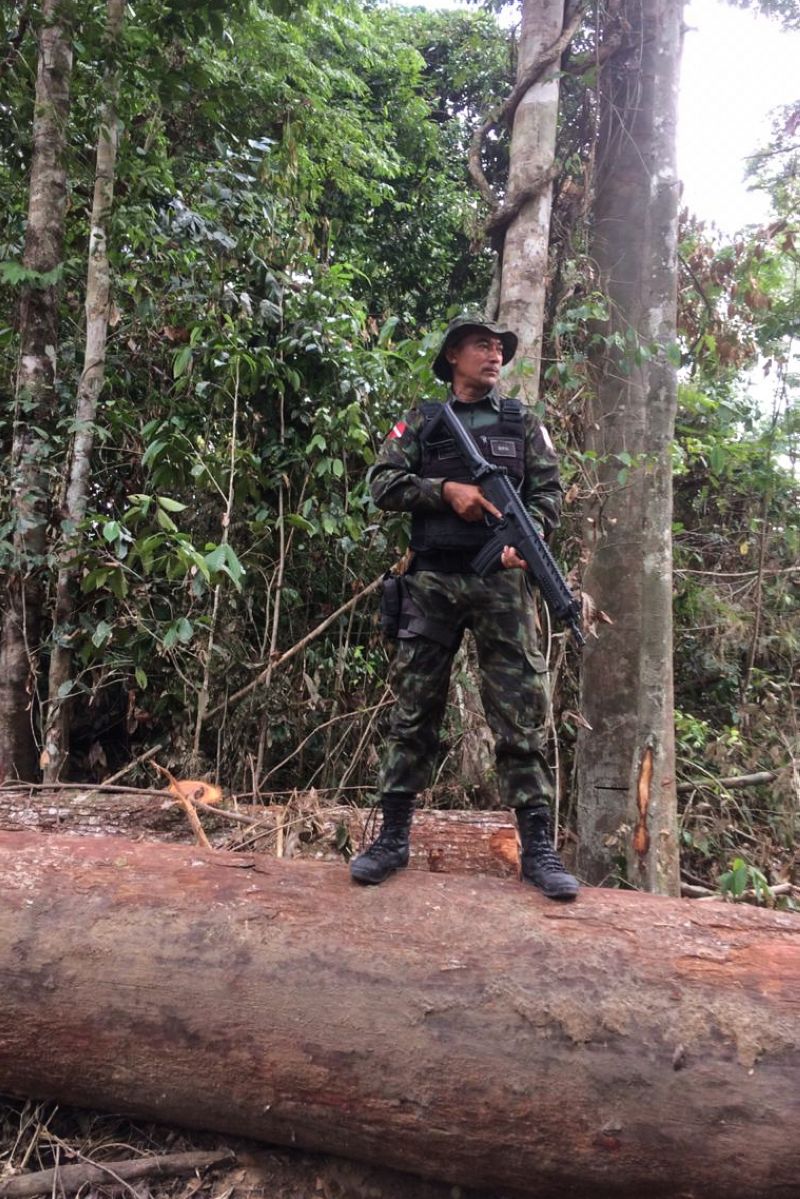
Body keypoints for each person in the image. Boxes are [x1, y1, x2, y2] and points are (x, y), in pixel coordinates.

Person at [350, 315, 579, 901]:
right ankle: (392, 838)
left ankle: (539, 849)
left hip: (503, 590)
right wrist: (444, 492)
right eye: (482, 345)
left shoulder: (523, 423)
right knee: (412, 714)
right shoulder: (423, 421)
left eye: (500, 347)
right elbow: (381, 484)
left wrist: (525, 538)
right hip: (430, 583)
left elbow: (548, 495)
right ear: (454, 355)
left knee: (521, 717)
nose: (494, 354)